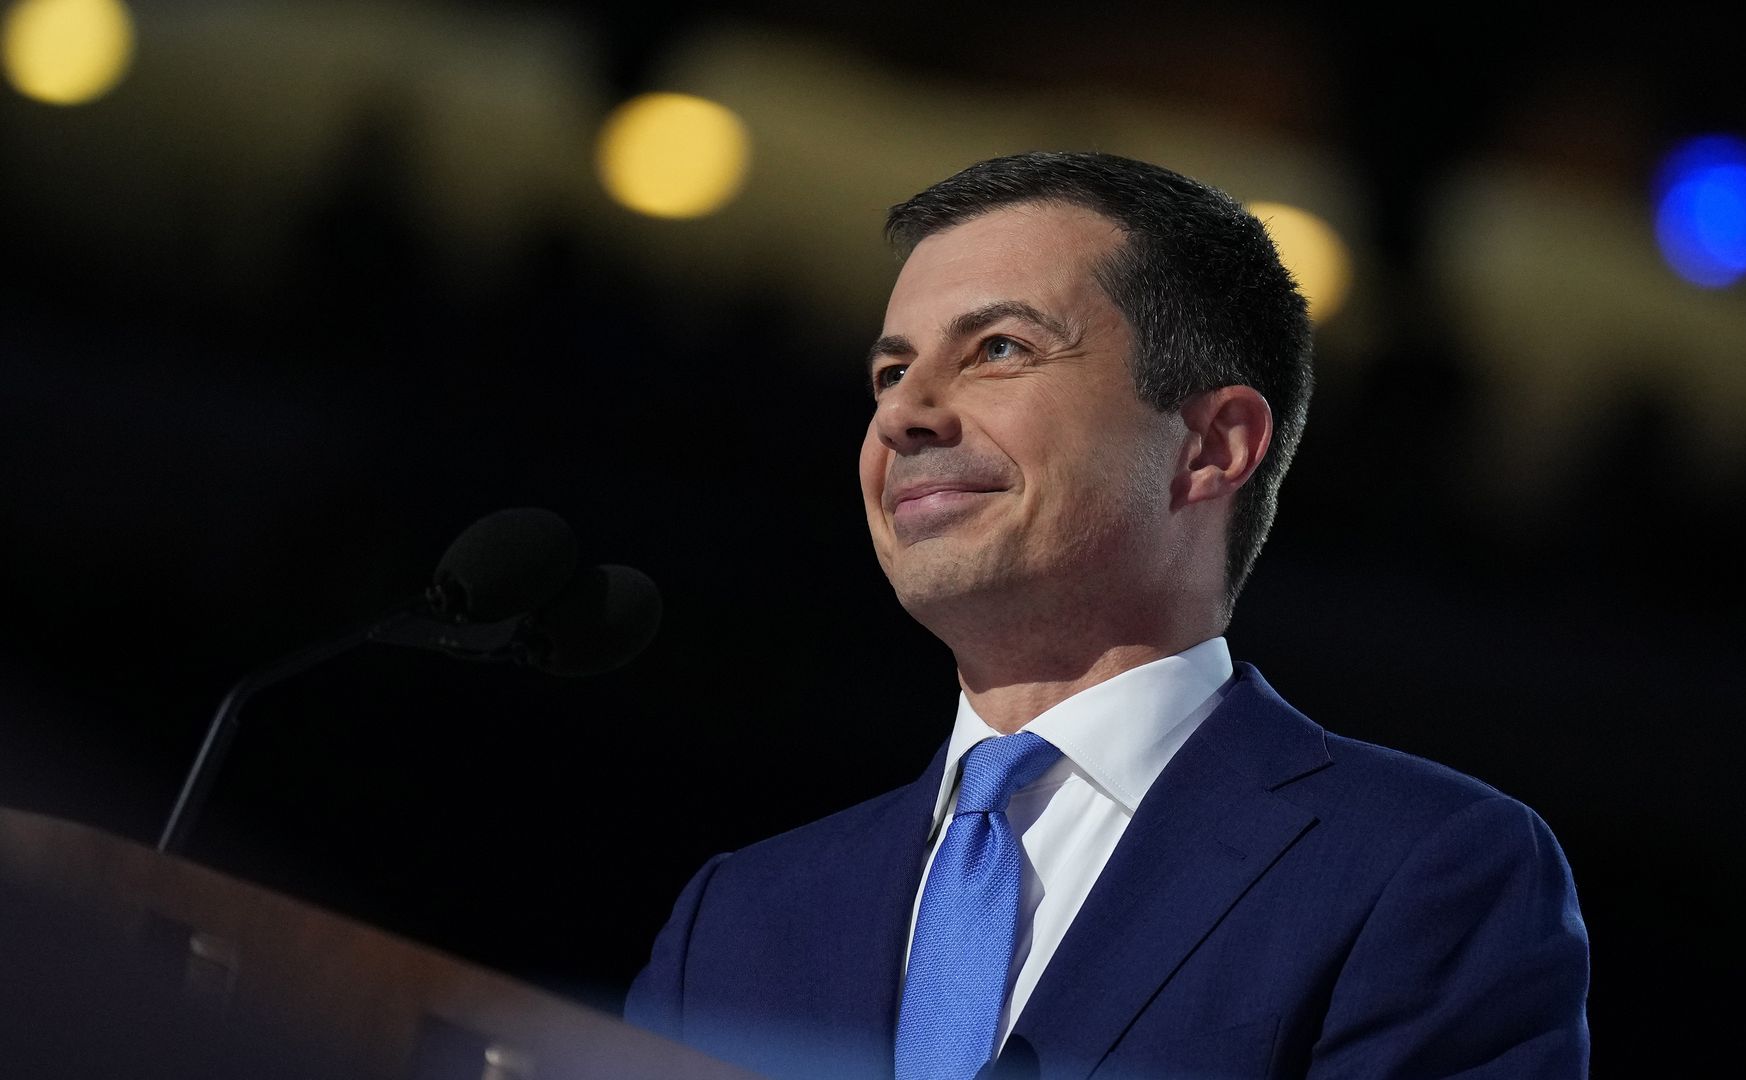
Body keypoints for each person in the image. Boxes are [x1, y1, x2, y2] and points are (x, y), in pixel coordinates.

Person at [625, 152, 1589, 1079]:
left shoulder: (1419, 870)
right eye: (888, 373)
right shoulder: (736, 920)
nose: (903, 415)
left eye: (997, 349)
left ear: (1213, 445)